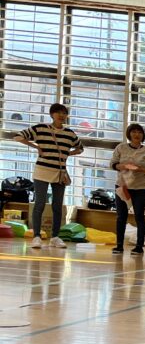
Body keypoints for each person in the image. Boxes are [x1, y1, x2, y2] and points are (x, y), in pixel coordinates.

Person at [14, 102, 84, 249]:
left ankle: (55, 237)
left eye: (64, 113)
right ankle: (36, 236)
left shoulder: (70, 134)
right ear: (52, 114)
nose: (62, 115)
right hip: (42, 171)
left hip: (60, 173)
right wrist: (36, 147)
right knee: (39, 204)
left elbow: (80, 148)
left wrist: (67, 154)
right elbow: (18, 137)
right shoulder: (40, 128)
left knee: (57, 206)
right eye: (58, 112)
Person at [110, 123, 145, 255]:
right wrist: (123, 166)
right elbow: (113, 164)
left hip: (139, 188)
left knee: (139, 216)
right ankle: (119, 245)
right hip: (123, 187)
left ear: (143, 135)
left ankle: (139, 247)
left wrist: (141, 169)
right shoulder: (121, 147)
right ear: (129, 134)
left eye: (139, 132)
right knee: (121, 216)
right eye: (134, 132)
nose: (136, 134)